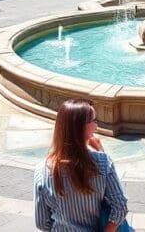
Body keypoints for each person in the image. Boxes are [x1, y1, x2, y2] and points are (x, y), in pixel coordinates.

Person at [35, 99, 129, 232]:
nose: (96, 126)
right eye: (94, 121)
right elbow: (120, 206)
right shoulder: (103, 162)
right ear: (81, 127)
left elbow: (41, 223)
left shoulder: (42, 170)